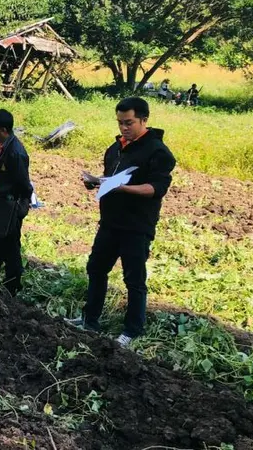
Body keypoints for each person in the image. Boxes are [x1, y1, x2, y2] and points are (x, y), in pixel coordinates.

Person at [68, 97, 176, 347]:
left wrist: (123, 188)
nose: (124, 128)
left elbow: (156, 188)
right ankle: (90, 319)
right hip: (110, 222)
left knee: (134, 279)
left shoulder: (158, 152)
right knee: (96, 268)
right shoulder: (115, 148)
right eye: (120, 123)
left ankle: (132, 330)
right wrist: (97, 182)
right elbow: (111, 177)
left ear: (144, 120)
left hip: (137, 226)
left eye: (129, 123)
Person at [0, 109, 34, 296]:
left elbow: (24, 183)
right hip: (0, 203)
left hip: (10, 206)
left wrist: (23, 204)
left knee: (11, 246)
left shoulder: (16, 152)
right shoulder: (4, 145)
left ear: (3, 129)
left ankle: (12, 285)